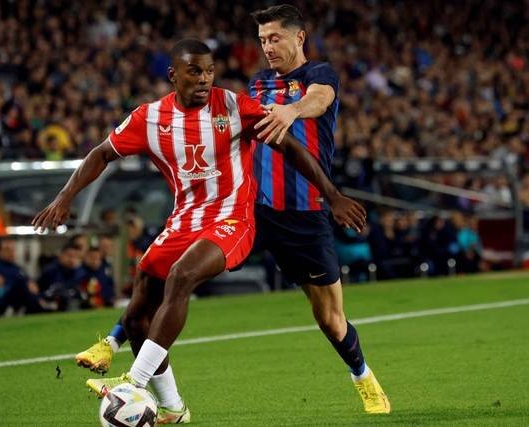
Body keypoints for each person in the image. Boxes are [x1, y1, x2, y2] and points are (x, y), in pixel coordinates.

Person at [33, 39, 365, 424]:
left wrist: (333, 195)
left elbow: (289, 146)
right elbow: (101, 153)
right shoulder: (150, 118)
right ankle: (173, 407)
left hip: (233, 220)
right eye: (195, 72)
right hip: (185, 220)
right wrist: (63, 198)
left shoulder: (234, 106)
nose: (205, 79)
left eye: (209, 71)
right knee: (142, 309)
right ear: (173, 75)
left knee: (183, 275)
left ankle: (134, 382)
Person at [244, 5, 390, 414]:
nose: (267, 47)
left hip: (304, 216)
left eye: (274, 38)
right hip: (253, 211)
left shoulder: (318, 75)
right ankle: (122, 352)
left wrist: (291, 110)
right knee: (184, 267)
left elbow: (320, 101)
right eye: (262, 40)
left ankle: (362, 375)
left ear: (299, 37)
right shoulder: (257, 84)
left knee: (329, 318)